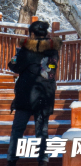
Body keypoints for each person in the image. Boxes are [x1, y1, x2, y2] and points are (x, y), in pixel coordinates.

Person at [7, 19, 62, 166]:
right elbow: (52, 70)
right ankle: (43, 160)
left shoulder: (25, 50)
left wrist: (14, 59)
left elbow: (14, 66)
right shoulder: (53, 50)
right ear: (46, 33)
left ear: (32, 33)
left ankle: (12, 160)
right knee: (42, 131)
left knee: (18, 130)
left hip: (25, 94)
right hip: (45, 94)